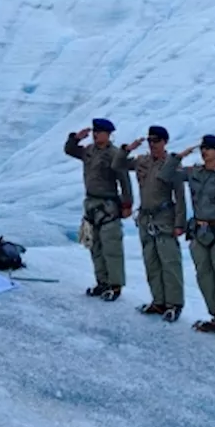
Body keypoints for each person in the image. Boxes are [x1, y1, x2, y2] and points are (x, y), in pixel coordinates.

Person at [161, 134, 215, 341]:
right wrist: (178, 156)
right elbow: (166, 175)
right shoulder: (194, 172)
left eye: (209, 148)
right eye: (202, 148)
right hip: (199, 232)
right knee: (204, 275)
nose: (205, 152)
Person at [115, 126, 188, 321]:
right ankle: (158, 301)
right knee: (151, 261)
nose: (152, 144)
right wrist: (127, 149)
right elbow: (117, 164)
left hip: (164, 217)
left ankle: (174, 304)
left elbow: (180, 196)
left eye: (156, 140)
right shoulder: (143, 161)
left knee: (169, 262)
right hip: (146, 218)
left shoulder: (171, 164)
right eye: (150, 140)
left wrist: (180, 223)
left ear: (165, 142)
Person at [64, 119, 134, 301]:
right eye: (95, 131)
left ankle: (115, 285)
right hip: (91, 204)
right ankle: (102, 282)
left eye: (100, 132)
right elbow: (70, 150)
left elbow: (124, 180)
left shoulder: (115, 154)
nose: (96, 134)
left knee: (111, 246)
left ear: (108, 134)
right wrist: (75, 138)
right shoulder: (89, 151)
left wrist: (127, 205)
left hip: (108, 205)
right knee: (96, 246)